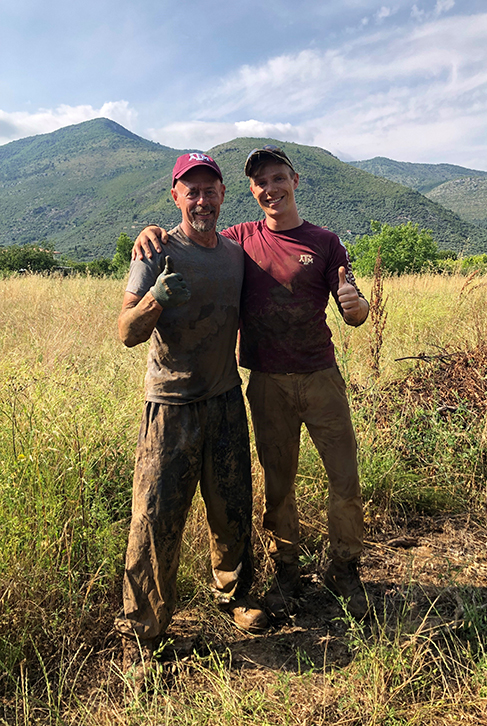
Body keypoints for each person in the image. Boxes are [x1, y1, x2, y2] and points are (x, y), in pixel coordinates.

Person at [132, 145, 370, 619]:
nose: (271, 188)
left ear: (295, 180)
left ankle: (343, 569)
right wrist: (151, 230)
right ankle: (286, 573)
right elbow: (193, 237)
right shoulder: (241, 239)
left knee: (344, 480)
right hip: (264, 384)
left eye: (278, 178)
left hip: (320, 376)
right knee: (277, 488)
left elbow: (356, 309)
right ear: (248, 191)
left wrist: (354, 304)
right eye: (261, 182)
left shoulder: (324, 242)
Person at [115, 152, 267, 677]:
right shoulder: (155, 250)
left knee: (232, 509)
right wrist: (154, 299)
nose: (201, 200)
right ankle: (147, 630)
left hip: (225, 400)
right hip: (169, 408)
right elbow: (126, 331)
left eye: (210, 190)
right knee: (156, 521)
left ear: (224, 195)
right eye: (191, 191)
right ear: (175, 195)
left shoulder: (235, 254)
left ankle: (234, 596)